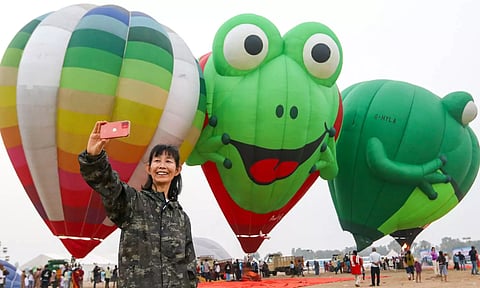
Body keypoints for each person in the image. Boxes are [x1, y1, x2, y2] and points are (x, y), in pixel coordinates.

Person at [78, 121, 197, 287]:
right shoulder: (133, 202)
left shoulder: (181, 218)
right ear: (148, 168)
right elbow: (109, 185)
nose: (162, 165)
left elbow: (189, 267)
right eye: (157, 161)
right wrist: (94, 157)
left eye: (169, 161)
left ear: (177, 170)